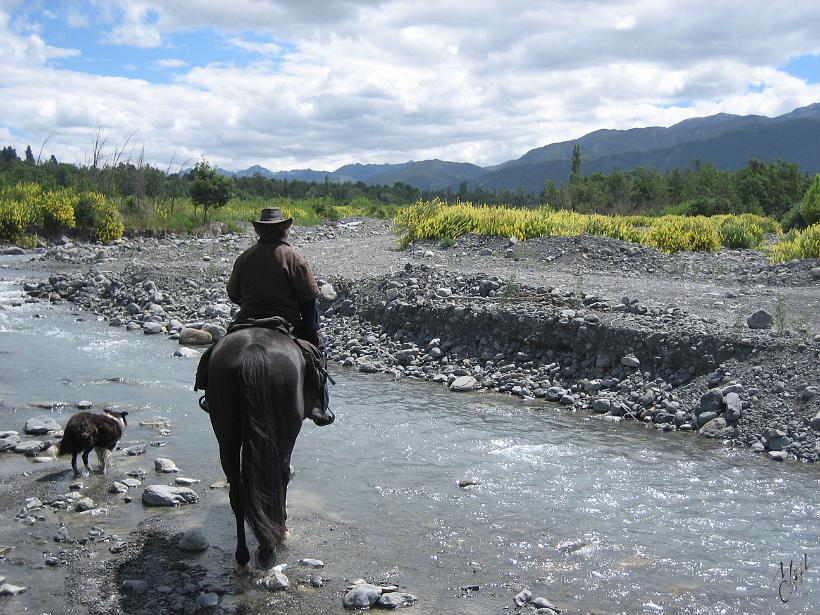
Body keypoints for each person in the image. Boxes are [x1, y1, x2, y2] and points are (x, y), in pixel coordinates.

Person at [196, 207, 333, 425]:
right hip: (285, 325)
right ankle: (318, 406)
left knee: (213, 354)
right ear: (284, 230)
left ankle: (212, 398)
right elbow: (308, 301)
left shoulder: (245, 257)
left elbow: (233, 294)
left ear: (260, 231)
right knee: (319, 352)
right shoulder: (295, 258)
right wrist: (311, 331)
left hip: (246, 321)